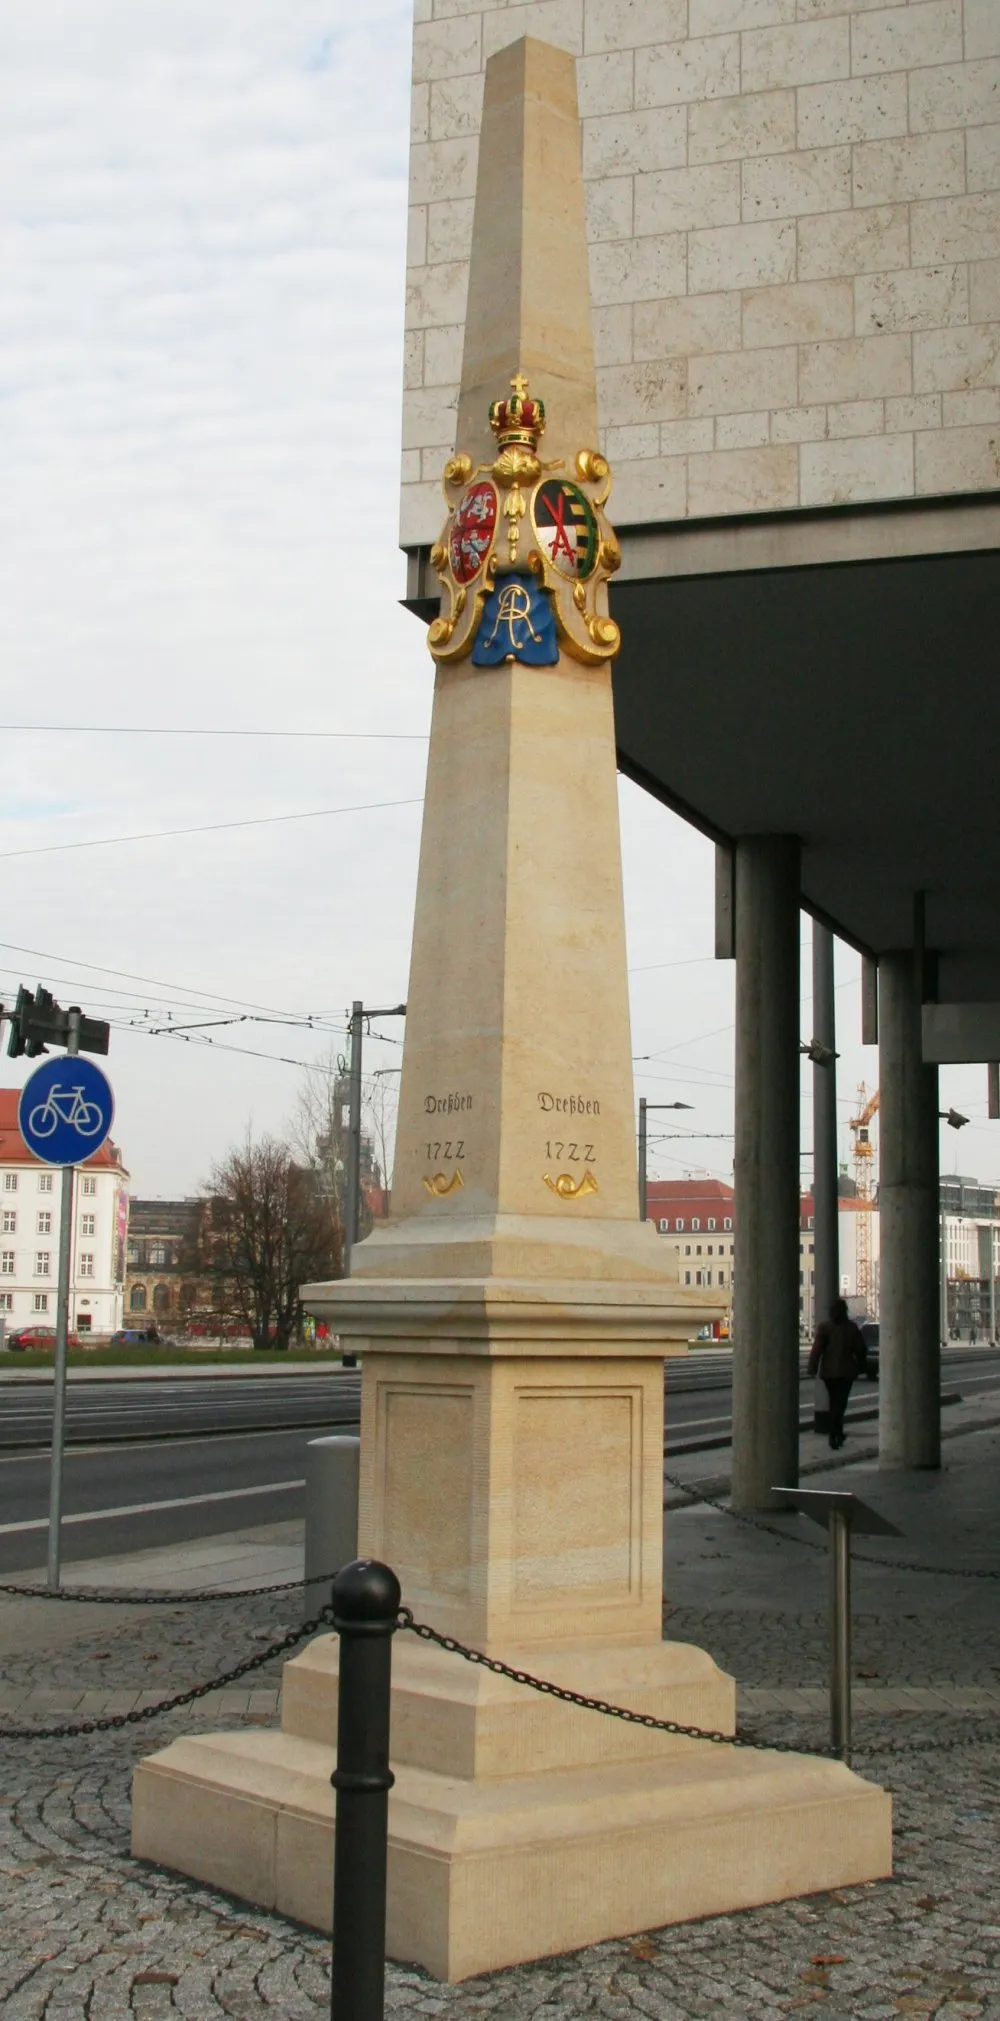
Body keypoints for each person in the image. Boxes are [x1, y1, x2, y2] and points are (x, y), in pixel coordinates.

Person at [808, 1297, 867, 1451]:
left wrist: (812, 1366)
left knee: (834, 1401)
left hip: (828, 1372)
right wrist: (862, 1366)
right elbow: (860, 1349)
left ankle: (836, 1432)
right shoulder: (851, 1328)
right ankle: (835, 1432)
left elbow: (817, 1350)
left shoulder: (824, 1328)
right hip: (846, 1372)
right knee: (840, 1403)